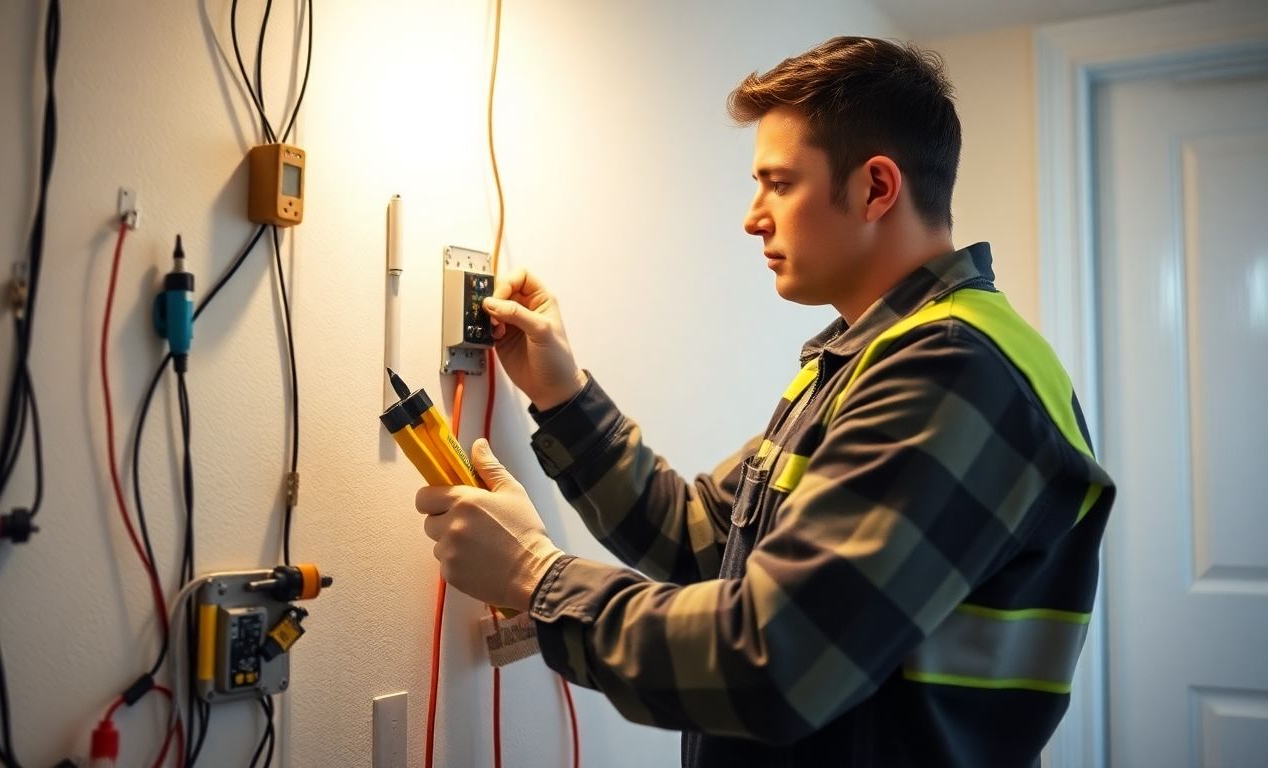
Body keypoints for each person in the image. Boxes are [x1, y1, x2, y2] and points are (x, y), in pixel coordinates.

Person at [415, 36, 1115, 767]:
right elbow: (701, 539)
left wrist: (535, 576)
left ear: (877, 188)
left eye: (779, 183)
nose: (753, 217)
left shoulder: (953, 374)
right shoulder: (869, 358)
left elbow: (775, 662)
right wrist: (561, 395)